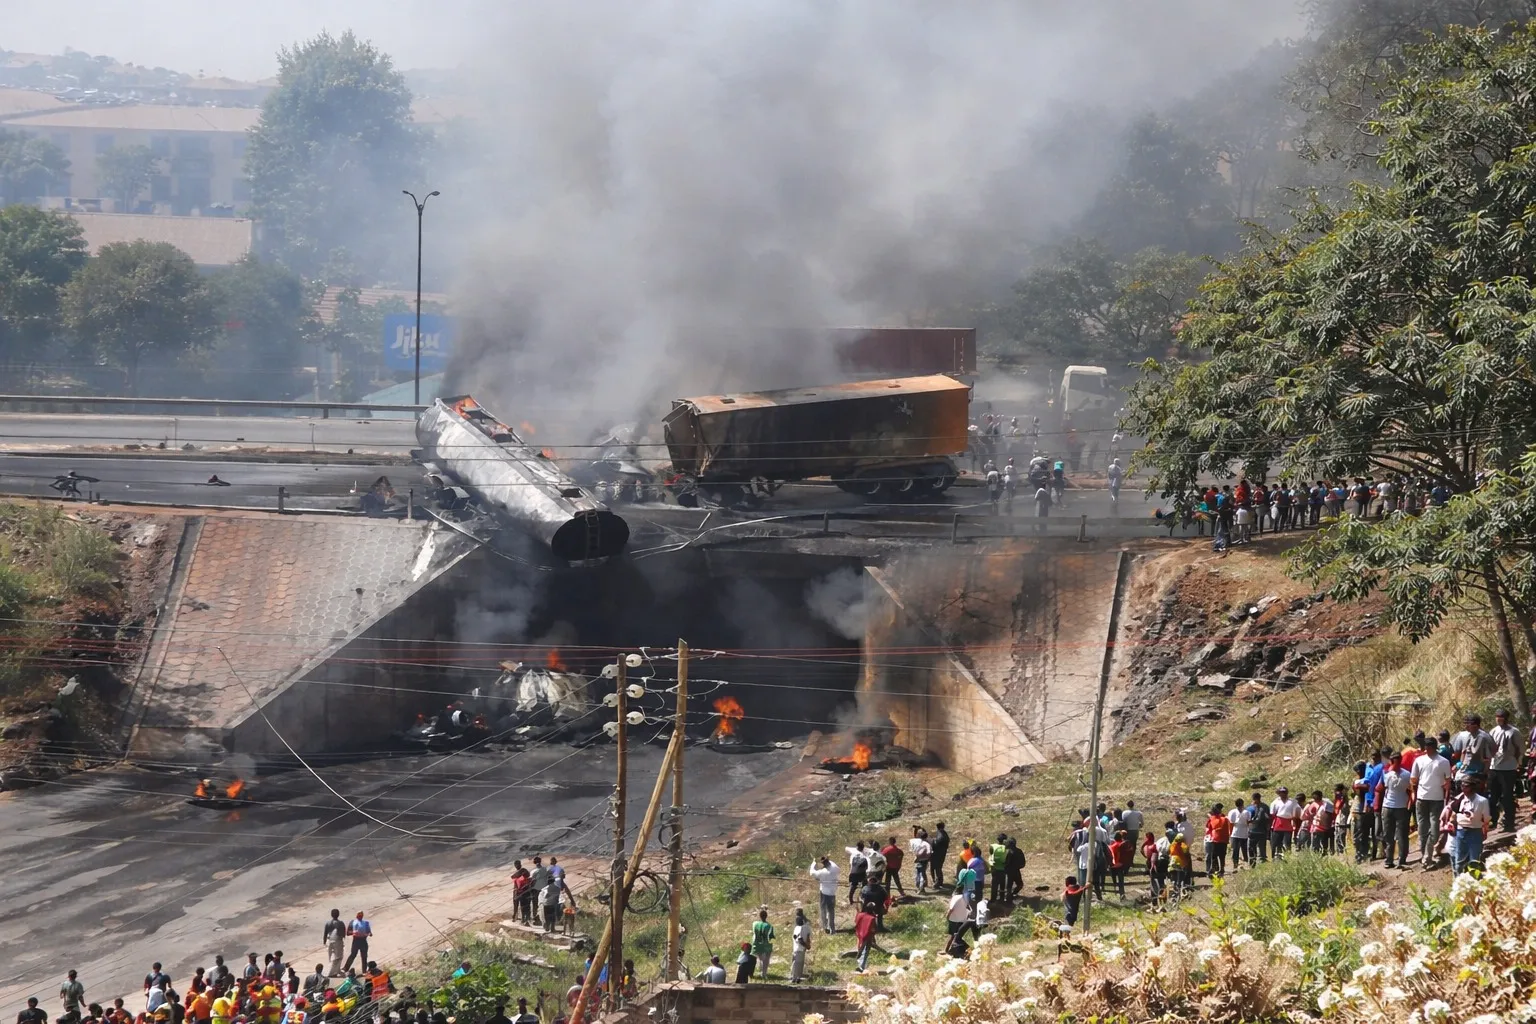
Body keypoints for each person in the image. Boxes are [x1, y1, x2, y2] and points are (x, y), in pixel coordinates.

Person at [1410, 738, 1452, 870]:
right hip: (1422, 799)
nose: (1426, 749)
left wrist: (1446, 798)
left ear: (1434, 747)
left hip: (1437, 799)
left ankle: (1427, 856)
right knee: (1422, 829)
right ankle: (1425, 857)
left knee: (1434, 830)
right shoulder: (1419, 760)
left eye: (1428, 747)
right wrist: (1413, 794)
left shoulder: (1443, 762)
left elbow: (1448, 782)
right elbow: (1413, 779)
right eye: (1425, 747)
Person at [1489, 708, 1522, 832]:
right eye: (1497, 717)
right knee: (1493, 796)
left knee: (1507, 796)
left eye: (1501, 717)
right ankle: (1493, 820)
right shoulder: (1493, 731)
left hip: (1508, 768)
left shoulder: (1514, 732)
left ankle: (1509, 822)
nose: (1498, 720)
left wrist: (1517, 763)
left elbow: (1520, 749)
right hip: (1494, 767)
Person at [1451, 777, 1492, 875]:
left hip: (1475, 831)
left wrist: (1485, 830)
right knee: (1459, 860)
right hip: (1461, 831)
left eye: (1466, 786)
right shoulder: (1459, 799)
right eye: (1462, 786)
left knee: (1474, 860)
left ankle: (1474, 882)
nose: (1463, 788)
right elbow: (1454, 813)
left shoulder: (1482, 801)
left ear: (1472, 787)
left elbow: (1486, 818)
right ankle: (1459, 881)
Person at [1379, 752, 1413, 869]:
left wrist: (1410, 802)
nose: (1396, 762)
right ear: (1391, 761)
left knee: (1402, 835)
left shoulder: (1407, 774)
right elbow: (1380, 788)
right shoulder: (1386, 773)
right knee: (1388, 835)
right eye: (1394, 760)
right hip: (1388, 807)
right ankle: (1389, 860)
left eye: (1398, 759)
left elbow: (1411, 790)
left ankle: (1402, 860)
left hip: (1402, 808)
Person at [808, 856, 839, 934]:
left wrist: (813, 864)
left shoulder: (823, 872)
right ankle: (832, 929)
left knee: (823, 910)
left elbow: (812, 873)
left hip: (824, 893)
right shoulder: (834, 866)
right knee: (831, 911)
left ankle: (825, 927)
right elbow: (839, 870)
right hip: (832, 892)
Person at [1269, 788, 1300, 858]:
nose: (1283, 794)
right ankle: (1274, 856)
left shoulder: (1292, 802)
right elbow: (1272, 813)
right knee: (1275, 842)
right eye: (1281, 792)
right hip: (1278, 823)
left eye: (1284, 792)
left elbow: (1297, 811)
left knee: (1287, 842)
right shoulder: (1275, 802)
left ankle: (1287, 857)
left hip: (1288, 823)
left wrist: (1294, 820)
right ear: (1279, 793)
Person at [1205, 804, 1231, 878]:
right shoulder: (1225, 819)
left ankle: (1215, 869)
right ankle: (1222, 869)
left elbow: (1208, 829)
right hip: (1224, 840)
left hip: (1215, 839)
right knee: (1222, 856)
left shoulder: (1211, 819)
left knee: (1214, 855)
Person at [854, 903, 880, 972]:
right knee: (865, 951)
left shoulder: (860, 915)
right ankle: (861, 967)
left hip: (859, 935)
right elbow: (874, 929)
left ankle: (859, 964)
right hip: (867, 936)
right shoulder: (872, 918)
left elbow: (856, 922)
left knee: (860, 950)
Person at [750, 908, 775, 978]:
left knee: (760, 959)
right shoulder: (769, 926)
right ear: (766, 916)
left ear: (759, 916)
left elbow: (754, 932)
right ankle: (764, 974)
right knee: (765, 961)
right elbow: (771, 937)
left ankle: (758, 972)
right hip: (765, 946)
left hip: (756, 944)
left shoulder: (754, 924)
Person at [789, 908, 811, 984]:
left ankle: (795, 978)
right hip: (801, 949)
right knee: (799, 963)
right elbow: (806, 937)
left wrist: (806, 945)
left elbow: (799, 939)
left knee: (796, 963)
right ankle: (797, 977)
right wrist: (807, 945)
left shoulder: (798, 928)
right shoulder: (805, 927)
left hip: (798, 948)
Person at [845, 841, 869, 906]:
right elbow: (866, 867)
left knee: (853, 886)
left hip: (853, 873)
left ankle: (851, 899)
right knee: (865, 885)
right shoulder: (864, 855)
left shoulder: (853, 852)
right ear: (863, 848)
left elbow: (846, 848)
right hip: (861, 874)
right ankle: (864, 897)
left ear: (857, 847)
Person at [909, 828, 932, 893]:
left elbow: (913, 849)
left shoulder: (916, 842)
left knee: (917, 873)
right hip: (924, 861)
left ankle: (918, 885)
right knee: (922, 873)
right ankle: (921, 888)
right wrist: (927, 857)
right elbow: (929, 853)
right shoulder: (927, 844)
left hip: (917, 860)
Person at [929, 822, 950, 888]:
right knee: (938, 868)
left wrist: (933, 842)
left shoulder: (940, 834)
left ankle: (936, 882)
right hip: (942, 853)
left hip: (936, 854)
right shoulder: (945, 834)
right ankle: (940, 881)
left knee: (935, 868)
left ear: (937, 827)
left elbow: (936, 843)